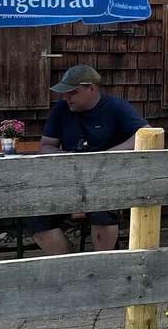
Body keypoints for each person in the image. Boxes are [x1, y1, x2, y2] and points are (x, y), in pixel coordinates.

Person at [26, 65, 149, 255]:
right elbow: (46, 146)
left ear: (92, 89)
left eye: (72, 92)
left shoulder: (115, 106)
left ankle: (101, 264)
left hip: (107, 181)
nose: (66, 97)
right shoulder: (60, 110)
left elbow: (146, 133)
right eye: (64, 93)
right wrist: (69, 158)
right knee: (37, 218)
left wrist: (107, 155)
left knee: (103, 215)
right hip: (69, 181)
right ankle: (68, 264)